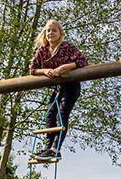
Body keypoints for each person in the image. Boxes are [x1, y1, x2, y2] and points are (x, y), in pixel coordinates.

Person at [29, 19, 88, 158]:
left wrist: (64, 67)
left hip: (71, 85)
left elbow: (82, 61)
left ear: (60, 33)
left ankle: (55, 149)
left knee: (61, 114)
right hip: (57, 88)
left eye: (54, 30)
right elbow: (32, 69)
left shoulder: (67, 46)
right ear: (45, 33)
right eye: (48, 30)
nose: (50, 33)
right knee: (50, 116)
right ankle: (48, 148)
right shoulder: (42, 50)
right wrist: (45, 71)